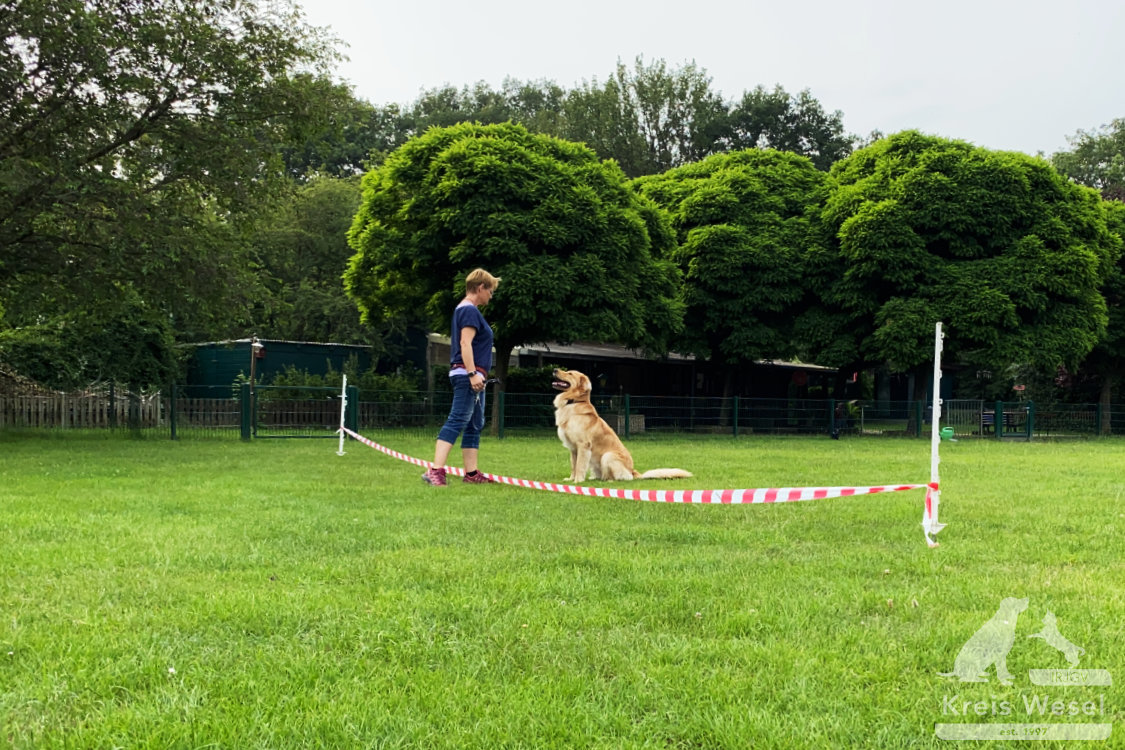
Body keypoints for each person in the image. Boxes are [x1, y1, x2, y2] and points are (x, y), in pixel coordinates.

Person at [422, 268, 501, 487]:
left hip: (475, 376)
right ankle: (435, 471)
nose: (491, 296)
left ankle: (472, 473)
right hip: (468, 375)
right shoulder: (469, 311)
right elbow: (465, 343)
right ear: (480, 288)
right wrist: (472, 373)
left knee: (475, 424)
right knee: (458, 419)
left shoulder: (468, 310)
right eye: (490, 291)